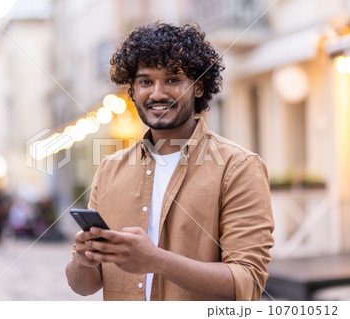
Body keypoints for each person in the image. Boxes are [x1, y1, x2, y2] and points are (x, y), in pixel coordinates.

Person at [65, 22, 274, 301]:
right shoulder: (109, 169)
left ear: (198, 87)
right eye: (145, 81)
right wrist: (84, 259)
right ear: (132, 90)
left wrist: (156, 260)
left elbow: (247, 282)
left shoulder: (238, 167)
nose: (157, 93)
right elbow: (83, 286)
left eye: (173, 80)